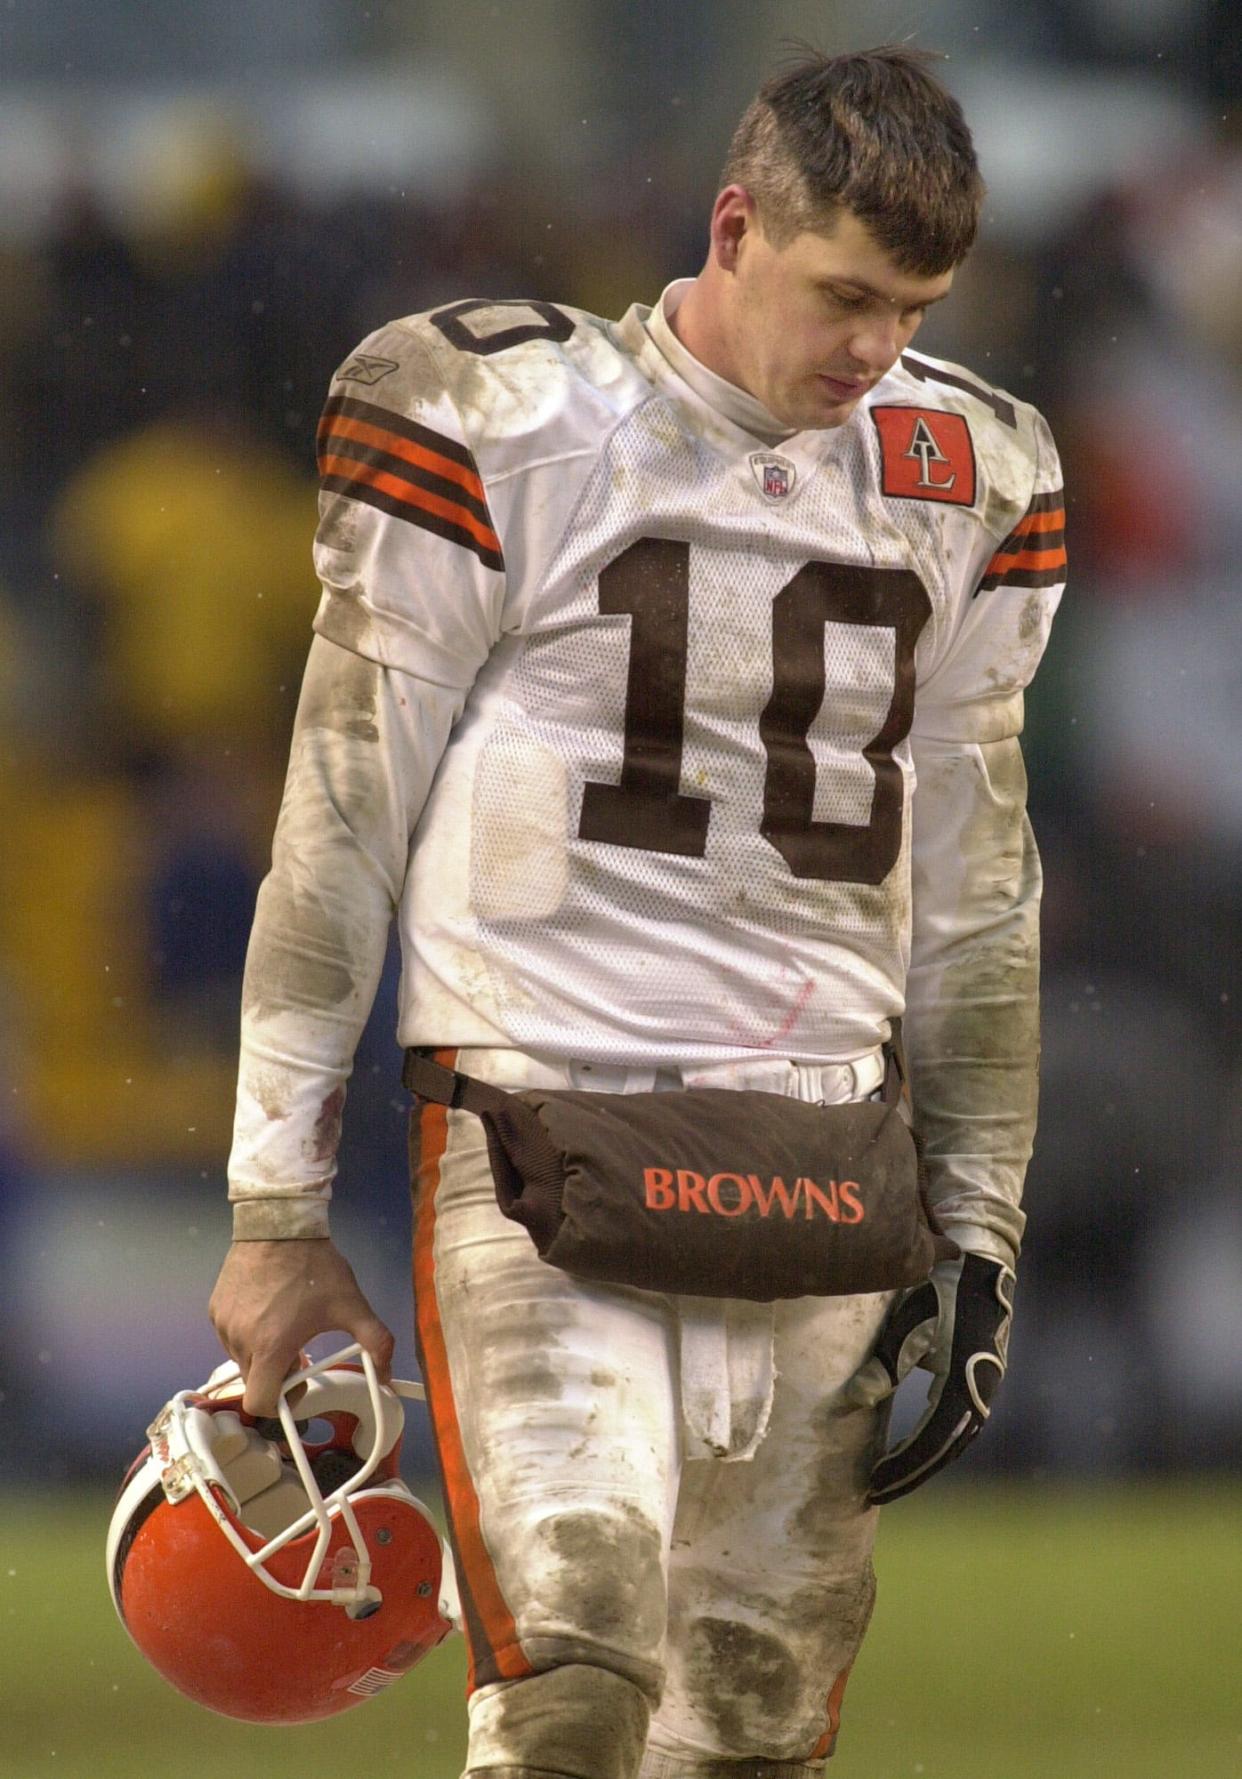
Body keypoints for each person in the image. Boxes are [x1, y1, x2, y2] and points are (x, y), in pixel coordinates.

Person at [209, 45, 1066, 1776]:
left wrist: (977, 1222)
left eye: (910, 310)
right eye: (841, 295)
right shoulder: (508, 418)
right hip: (543, 1123)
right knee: (573, 1687)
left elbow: (979, 887)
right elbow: (340, 820)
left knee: (749, 1736)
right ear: (733, 225)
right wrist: (271, 1206)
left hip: (822, 1149)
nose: (872, 350)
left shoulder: (969, 467)